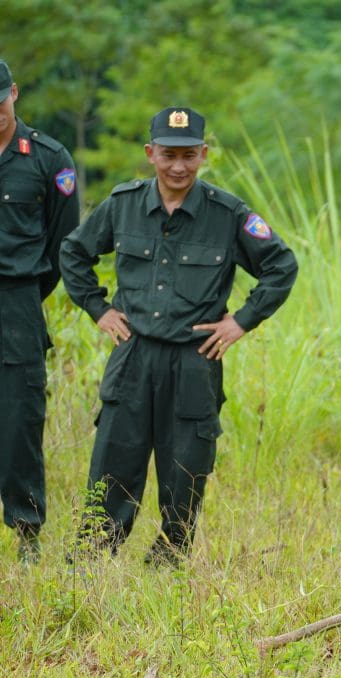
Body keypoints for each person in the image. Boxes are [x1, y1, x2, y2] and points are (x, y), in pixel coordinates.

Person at [60, 107, 298, 564]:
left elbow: (281, 267)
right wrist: (99, 309)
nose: (178, 166)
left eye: (189, 155)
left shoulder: (228, 214)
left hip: (194, 360)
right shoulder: (124, 204)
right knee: (113, 462)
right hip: (133, 354)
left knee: (185, 470)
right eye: (168, 155)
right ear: (150, 153)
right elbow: (74, 252)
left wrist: (241, 321)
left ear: (204, 154)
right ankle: (90, 562)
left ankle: (169, 562)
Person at [0, 59, 81, 562]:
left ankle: (26, 531)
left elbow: (63, 245)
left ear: (13, 93)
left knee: (20, 419)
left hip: (18, 302)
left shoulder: (49, 159)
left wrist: (25, 294)